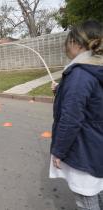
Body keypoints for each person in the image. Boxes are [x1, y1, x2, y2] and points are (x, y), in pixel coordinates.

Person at [49, 20, 103, 210]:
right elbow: (93, 102)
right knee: (98, 193)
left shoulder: (80, 74)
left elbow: (71, 118)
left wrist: (59, 151)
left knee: (87, 201)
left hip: (85, 149)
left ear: (76, 44)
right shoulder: (95, 69)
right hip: (97, 146)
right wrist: (62, 90)